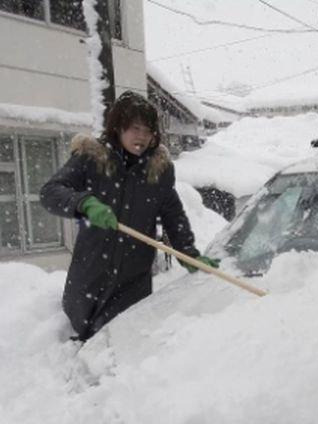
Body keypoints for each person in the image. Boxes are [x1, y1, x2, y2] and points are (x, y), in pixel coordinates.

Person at [41, 91, 218, 341]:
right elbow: (50, 192)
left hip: (132, 285)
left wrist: (189, 255)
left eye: (147, 131)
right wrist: (84, 203)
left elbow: (173, 216)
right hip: (88, 278)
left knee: (121, 348)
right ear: (118, 127)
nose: (142, 137)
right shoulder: (92, 159)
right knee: (79, 346)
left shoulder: (158, 171)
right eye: (135, 128)